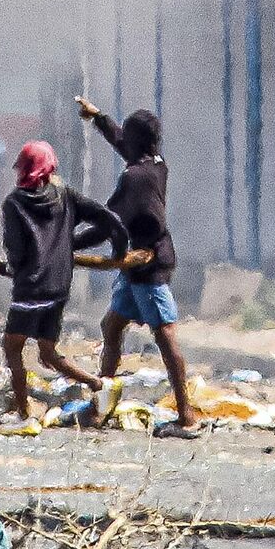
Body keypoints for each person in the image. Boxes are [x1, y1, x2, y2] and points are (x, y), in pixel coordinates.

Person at [75, 98, 198, 439]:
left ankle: (186, 416)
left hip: (148, 263)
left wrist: (68, 244)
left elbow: (107, 226)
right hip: (136, 266)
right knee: (112, 327)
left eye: (127, 138)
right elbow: (121, 140)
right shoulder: (155, 163)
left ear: (136, 143)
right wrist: (98, 118)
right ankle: (101, 403)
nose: (122, 142)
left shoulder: (135, 180)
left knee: (165, 335)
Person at [0, 141, 131, 437]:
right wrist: (119, 251)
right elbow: (109, 220)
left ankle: (23, 415)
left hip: (30, 290)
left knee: (12, 347)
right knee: (47, 353)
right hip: (58, 288)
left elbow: (16, 252)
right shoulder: (65, 196)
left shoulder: (15, 203)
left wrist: (11, 268)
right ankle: (100, 385)